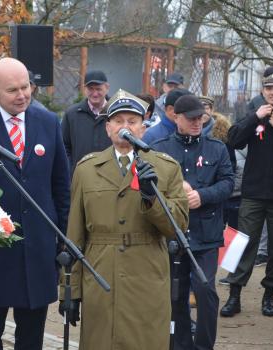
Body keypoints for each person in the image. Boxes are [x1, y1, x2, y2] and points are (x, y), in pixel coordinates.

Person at [61, 89, 188, 350]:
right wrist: (69, 291)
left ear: (143, 127)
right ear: (108, 128)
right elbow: (74, 236)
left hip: (147, 274)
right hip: (100, 274)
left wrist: (151, 197)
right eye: (118, 121)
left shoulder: (165, 168)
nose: (125, 127)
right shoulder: (86, 169)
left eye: (132, 121)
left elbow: (178, 227)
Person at [0, 57, 70, 350]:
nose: (22, 95)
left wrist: (62, 237)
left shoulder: (48, 122)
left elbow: (61, 184)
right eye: (13, 90)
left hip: (38, 249)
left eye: (26, 87)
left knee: (31, 336)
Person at [151, 95, 234, 350]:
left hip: (205, 233)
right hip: (173, 233)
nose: (197, 122)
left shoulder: (216, 148)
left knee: (206, 290)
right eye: (191, 118)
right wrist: (177, 190)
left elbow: (229, 183)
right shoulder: (161, 148)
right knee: (175, 294)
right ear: (176, 117)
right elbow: (151, 186)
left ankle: (204, 345)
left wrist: (203, 195)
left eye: (201, 117)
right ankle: (180, 344)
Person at [220, 71, 273, 318]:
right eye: (269, 88)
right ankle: (234, 295)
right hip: (253, 193)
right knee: (242, 244)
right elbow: (232, 139)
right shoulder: (255, 114)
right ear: (263, 91)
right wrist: (255, 117)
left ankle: (269, 296)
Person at [62, 70, 111, 173]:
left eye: (98, 89)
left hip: (110, 176)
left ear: (107, 88)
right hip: (80, 177)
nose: (95, 93)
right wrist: (71, 170)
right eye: (90, 89)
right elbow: (64, 146)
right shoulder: (72, 114)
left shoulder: (116, 113)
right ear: (84, 89)